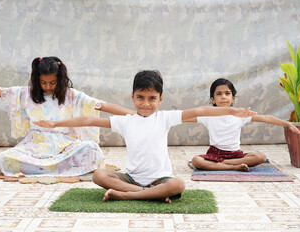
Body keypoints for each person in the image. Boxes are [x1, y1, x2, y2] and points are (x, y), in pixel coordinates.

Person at [34, 70, 256, 203]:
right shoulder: (125, 121)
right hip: (131, 179)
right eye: (140, 97)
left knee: (178, 183)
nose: (146, 103)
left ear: (160, 99)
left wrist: (232, 111)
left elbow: (200, 111)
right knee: (99, 175)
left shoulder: (165, 118)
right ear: (132, 96)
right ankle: (149, 194)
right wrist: (55, 123)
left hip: (161, 179)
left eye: (152, 98)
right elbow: (87, 120)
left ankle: (129, 196)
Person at [0, 56, 134, 177]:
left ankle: (44, 168)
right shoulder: (26, 93)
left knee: (92, 150)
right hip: (35, 145)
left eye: (52, 83)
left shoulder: (72, 96)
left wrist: (135, 114)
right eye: (43, 83)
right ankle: (54, 168)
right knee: (5, 159)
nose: (47, 87)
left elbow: (103, 105)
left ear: (60, 79)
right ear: (37, 80)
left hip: (65, 144)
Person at [186, 78, 300, 172]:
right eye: (219, 94)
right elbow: (185, 117)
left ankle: (222, 165)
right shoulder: (209, 116)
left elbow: (265, 118)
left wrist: (287, 124)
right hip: (215, 154)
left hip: (236, 155)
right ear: (213, 99)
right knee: (197, 160)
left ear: (232, 98)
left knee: (261, 157)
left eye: (227, 93)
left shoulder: (240, 115)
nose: (223, 96)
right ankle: (232, 167)